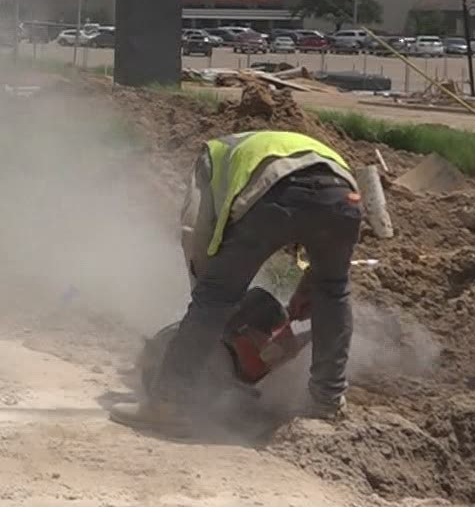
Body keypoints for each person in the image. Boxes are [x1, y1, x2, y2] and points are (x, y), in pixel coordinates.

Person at [111, 128, 364, 436]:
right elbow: (318, 211)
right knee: (333, 292)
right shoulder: (306, 150)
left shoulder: (212, 156)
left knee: (215, 296)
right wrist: (312, 284)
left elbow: (195, 231)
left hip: (278, 194)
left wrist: (211, 299)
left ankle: (168, 403)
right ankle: (327, 402)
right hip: (344, 198)